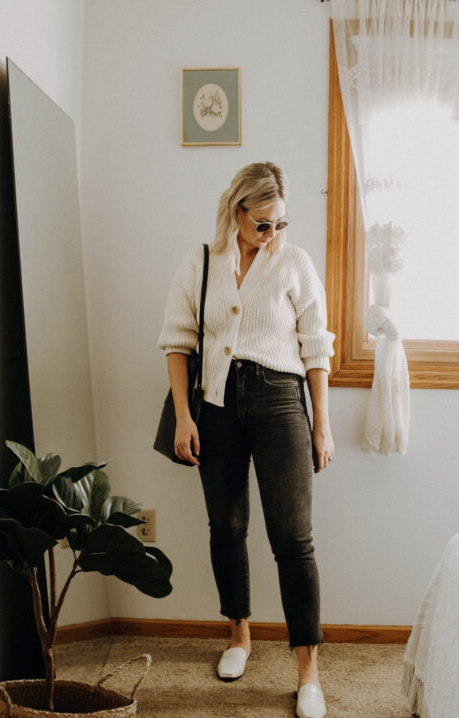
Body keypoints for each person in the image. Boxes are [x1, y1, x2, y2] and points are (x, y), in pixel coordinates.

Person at [158, 162, 335, 718]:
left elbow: (316, 349)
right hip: (215, 405)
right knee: (227, 526)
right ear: (237, 211)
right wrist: (186, 417)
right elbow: (177, 341)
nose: (273, 234)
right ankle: (239, 637)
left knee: (293, 539)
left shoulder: (296, 263)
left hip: (280, 399)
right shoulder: (201, 261)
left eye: (281, 223)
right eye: (263, 224)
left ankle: (308, 671)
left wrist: (321, 423)